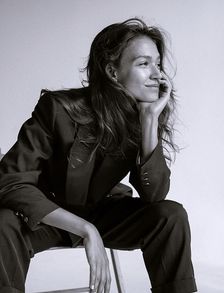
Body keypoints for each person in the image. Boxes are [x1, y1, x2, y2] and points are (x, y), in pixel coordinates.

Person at [0, 18, 197, 293]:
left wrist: (150, 120)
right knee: (2, 222)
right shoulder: (58, 109)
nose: (158, 75)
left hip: (102, 211)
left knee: (171, 215)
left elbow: (155, 196)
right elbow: (10, 181)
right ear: (113, 72)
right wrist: (86, 229)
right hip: (47, 217)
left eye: (158, 63)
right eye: (144, 64)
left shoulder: (141, 114)